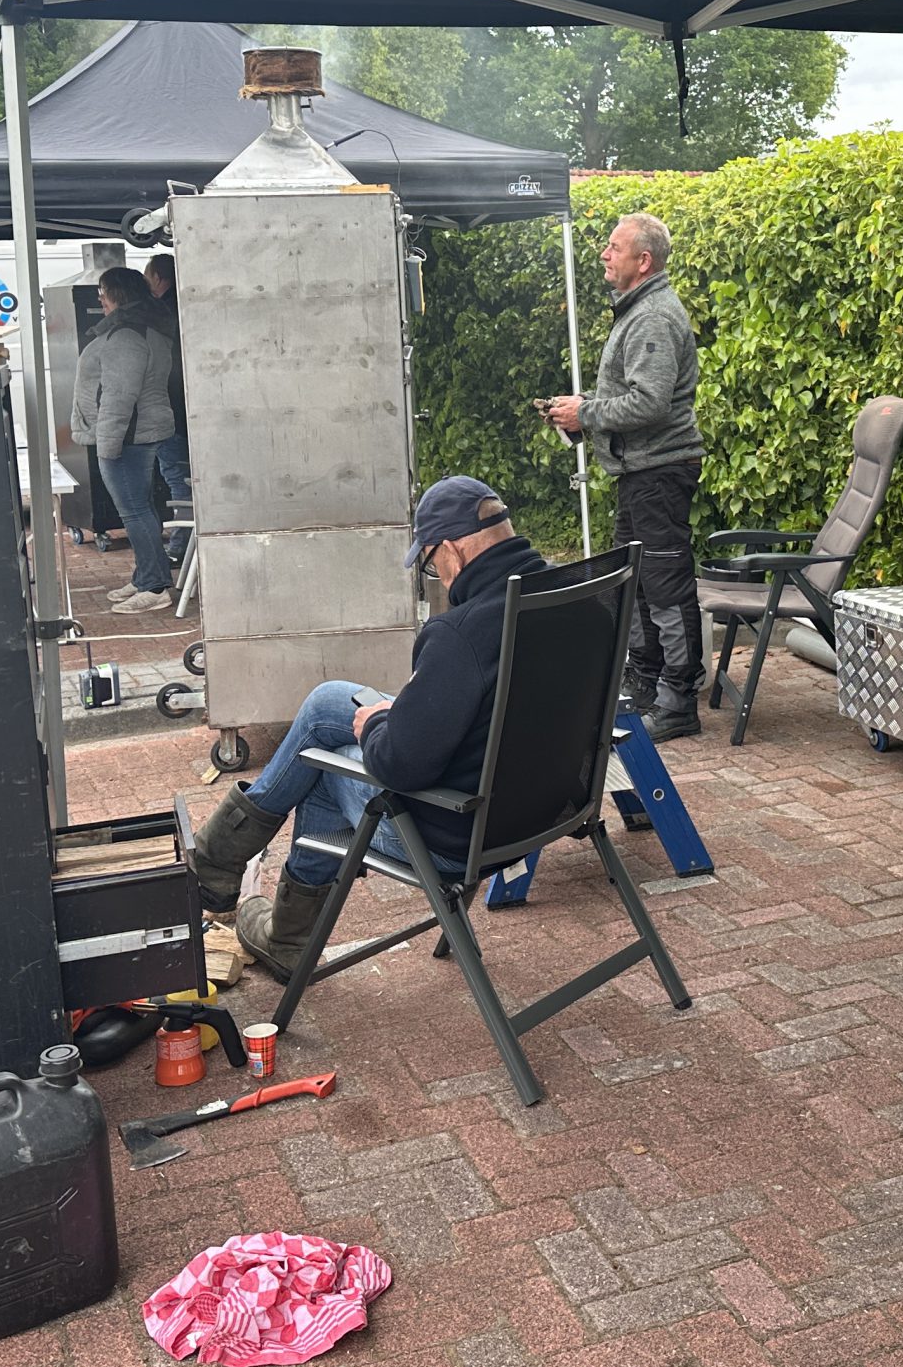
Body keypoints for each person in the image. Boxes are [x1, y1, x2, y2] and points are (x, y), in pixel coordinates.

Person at [192, 475, 552, 976]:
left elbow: (400, 766)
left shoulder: (462, 634)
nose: (439, 577)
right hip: (542, 813)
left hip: (456, 836)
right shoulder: (570, 598)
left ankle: (282, 932)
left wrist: (378, 724)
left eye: (431, 564)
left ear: (452, 549)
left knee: (322, 766)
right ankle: (220, 860)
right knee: (327, 702)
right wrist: (401, 714)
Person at [543, 211, 704, 741]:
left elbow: (651, 403)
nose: (604, 255)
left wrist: (586, 414)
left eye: (614, 247)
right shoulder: (637, 310)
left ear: (644, 260)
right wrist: (582, 406)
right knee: (635, 582)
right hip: (640, 473)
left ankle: (678, 701)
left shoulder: (652, 316)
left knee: (665, 586)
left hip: (660, 473)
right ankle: (644, 684)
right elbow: (635, 394)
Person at [71, 265, 178, 612]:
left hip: (128, 437)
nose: (99, 298)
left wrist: (107, 446)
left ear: (117, 294)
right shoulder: (142, 328)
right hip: (135, 433)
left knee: (134, 512)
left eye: (102, 291)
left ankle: (155, 587)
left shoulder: (127, 336)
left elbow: (119, 396)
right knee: (140, 508)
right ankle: (146, 575)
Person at [143, 253, 192, 566]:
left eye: (148, 277)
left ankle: (180, 547)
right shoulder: (189, 304)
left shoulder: (160, 313)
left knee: (177, 478)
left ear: (159, 279)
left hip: (171, 410)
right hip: (190, 409)